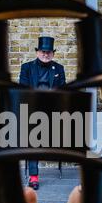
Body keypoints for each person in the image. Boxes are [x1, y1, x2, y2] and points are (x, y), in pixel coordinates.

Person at [19, 37, 66, 190]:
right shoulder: (26, 68)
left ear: (53, 54)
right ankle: (34, 177)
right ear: (37, 52)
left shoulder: (59, 69)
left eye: (49, 52)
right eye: (43, 51)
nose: (46, 54)